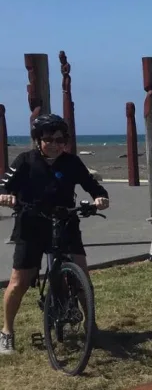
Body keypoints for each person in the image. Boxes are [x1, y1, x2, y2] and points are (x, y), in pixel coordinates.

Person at [0, 114, 110, 354]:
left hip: (65, 221)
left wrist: (100, 197)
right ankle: (7, 331)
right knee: (19, 281)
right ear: (38, 140)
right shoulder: (25, 161)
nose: (54, 144)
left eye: (60, 140)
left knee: (82, 276)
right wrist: (6, 195)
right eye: (48, 139)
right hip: (32, 224)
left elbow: (92, 185)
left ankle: (92, 327)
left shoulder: (71, 162)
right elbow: (5, 184)